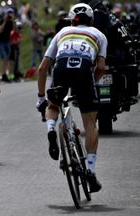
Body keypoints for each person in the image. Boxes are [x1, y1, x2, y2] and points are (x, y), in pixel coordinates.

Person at [36, 3, 107, 193]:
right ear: (91, 20)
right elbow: (101, 67)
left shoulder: (62, 32)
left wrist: (41, 97)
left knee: (53, 105)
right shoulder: (99, 34)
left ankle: (51, 129)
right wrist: (90, 83)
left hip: (61, 68)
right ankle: (90, 170)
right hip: (84, 70)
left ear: (71, 19)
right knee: (90, 123)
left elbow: (43, 68)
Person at [0, 8, 15, 82]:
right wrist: (5, 21)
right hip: (1, 42)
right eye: (8, 13)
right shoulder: (2, 20)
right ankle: (4, 75)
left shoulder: (11, 22)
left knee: (7, 59)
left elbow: (14, 31)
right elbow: (0, 30)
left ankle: (5, 74)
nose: (9, 15)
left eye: (11, 13)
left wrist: (13, 21)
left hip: (7, 42)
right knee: (4, 58)